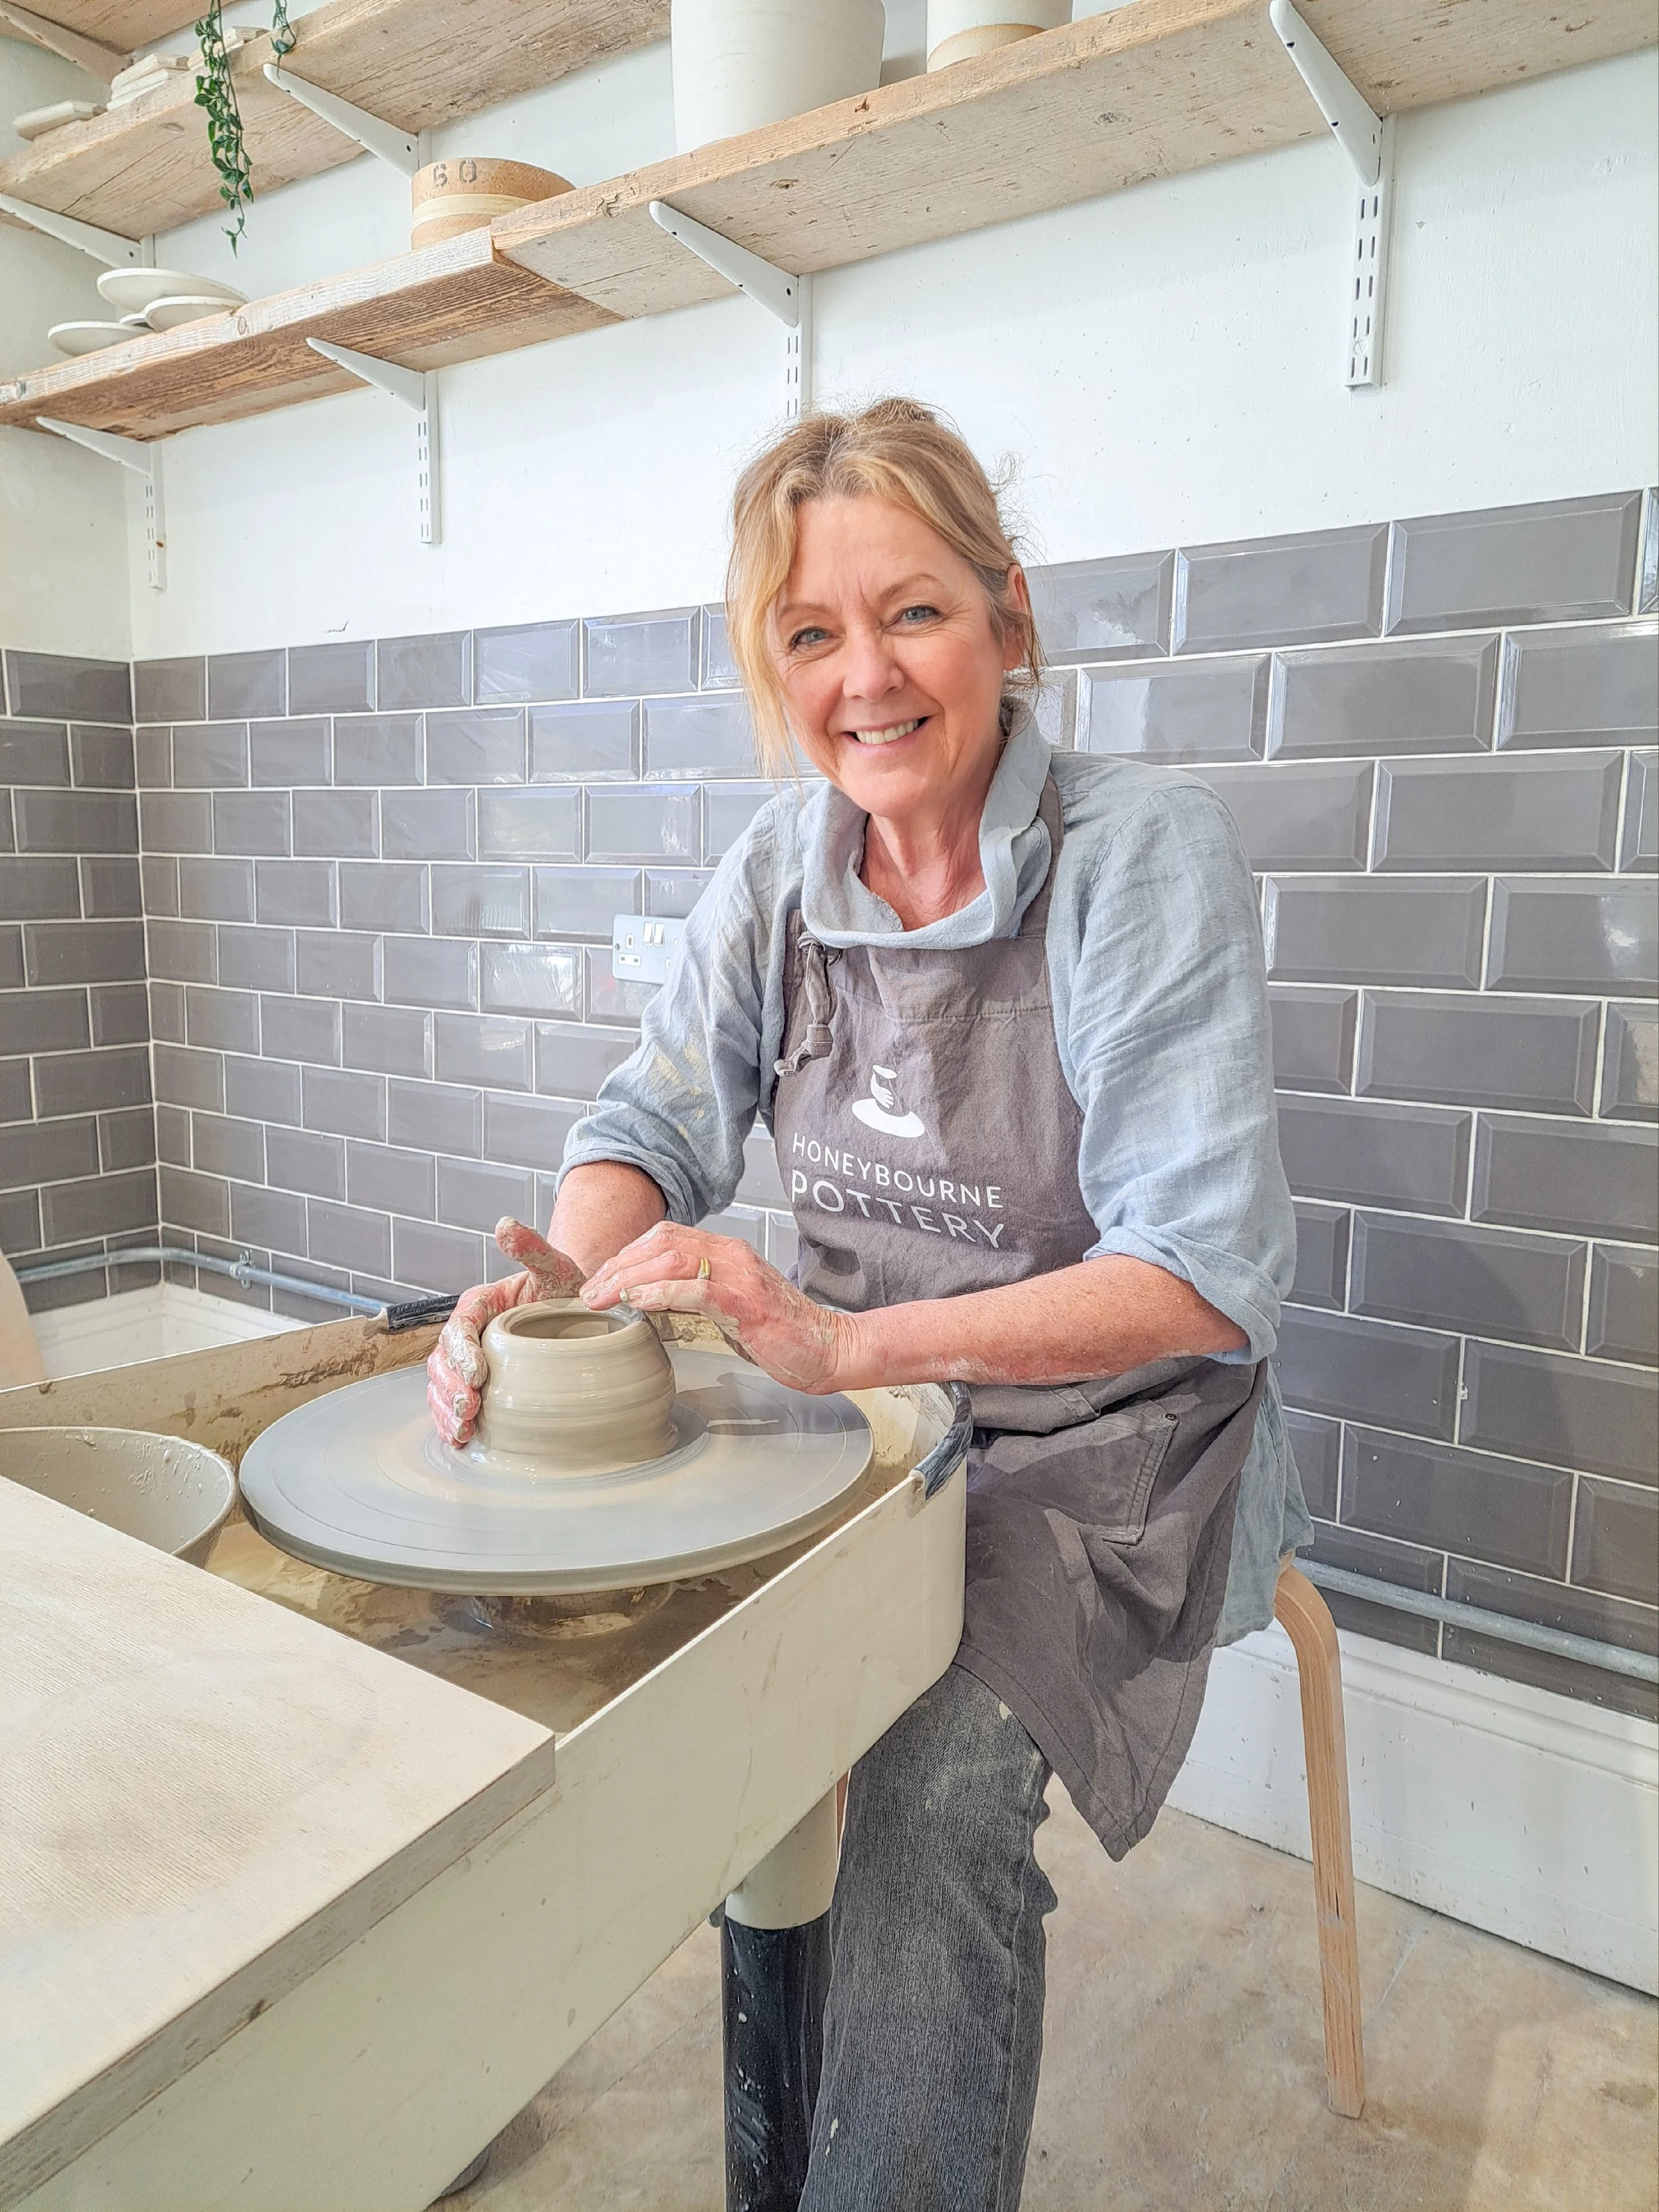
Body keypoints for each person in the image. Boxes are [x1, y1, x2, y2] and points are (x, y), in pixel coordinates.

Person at [427, 399, 1309, 2211]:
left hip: (1106, 1446)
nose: (867, 678)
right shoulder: (781, 866)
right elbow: (648, 1123)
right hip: (864, 1424)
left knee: (921, 1785)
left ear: (1005, 612)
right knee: (698, 1692)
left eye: (910, 612)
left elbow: (1200, 1276)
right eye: (811, 635)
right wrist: (562, 1293)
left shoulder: (1141, 852)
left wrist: (840, 1345)